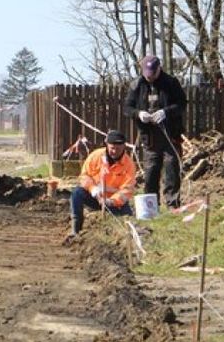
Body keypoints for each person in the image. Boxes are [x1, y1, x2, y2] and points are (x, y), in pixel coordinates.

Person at [123, 53, 186, 208]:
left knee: (171, 168)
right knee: (151, 171)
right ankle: (151, 206)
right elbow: (127, 108)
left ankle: (173, 204)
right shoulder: (136, 85)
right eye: (147, 74)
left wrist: (166, 112)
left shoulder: (171, 83)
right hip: (149, 137)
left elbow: (182, 104)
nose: (150, 77)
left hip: (170, 134)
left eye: (153, 74)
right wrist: (139, 114)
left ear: (159, 69)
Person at [64, 130, 136, 242]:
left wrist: (111, 201)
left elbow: (127, 190)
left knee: (127, 219)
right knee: (77, 193)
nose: (114, 151)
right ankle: (75, 229)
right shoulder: (96, 156)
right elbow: (84, 176)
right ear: (107, 145)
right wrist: (93, 190)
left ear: (124, 147)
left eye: (118, 149)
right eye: (112, 148)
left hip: (114, 203)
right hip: (95, 197)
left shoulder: (129, 165)